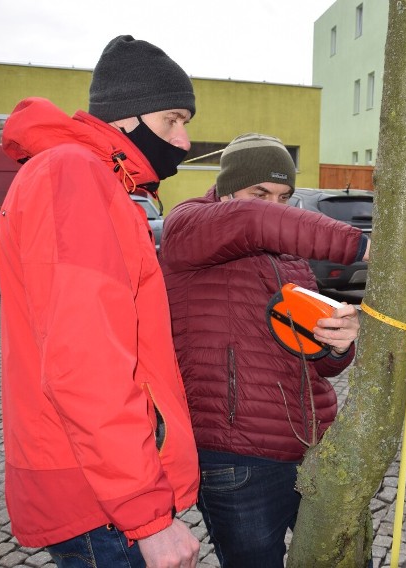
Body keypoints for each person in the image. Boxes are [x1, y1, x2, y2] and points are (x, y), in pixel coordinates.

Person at [0, 35, 201, 567]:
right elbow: (86, 364)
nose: (183, 141)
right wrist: (148, 516)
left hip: (96, 488)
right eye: (172, 120)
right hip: (103, 504)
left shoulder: (90, 177)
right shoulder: (76, 174)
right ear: (126, 119)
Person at [158, 133, 370, 567]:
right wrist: (364, 246)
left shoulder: (291, 258)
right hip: (238, 457)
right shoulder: (188, 227)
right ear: (225, 189)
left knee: (347, 559)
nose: (273, 205)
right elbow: (250, 221)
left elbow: (319, 361)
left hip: (314, 445)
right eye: (260, 192)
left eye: (284, 196)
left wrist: (338, 345)